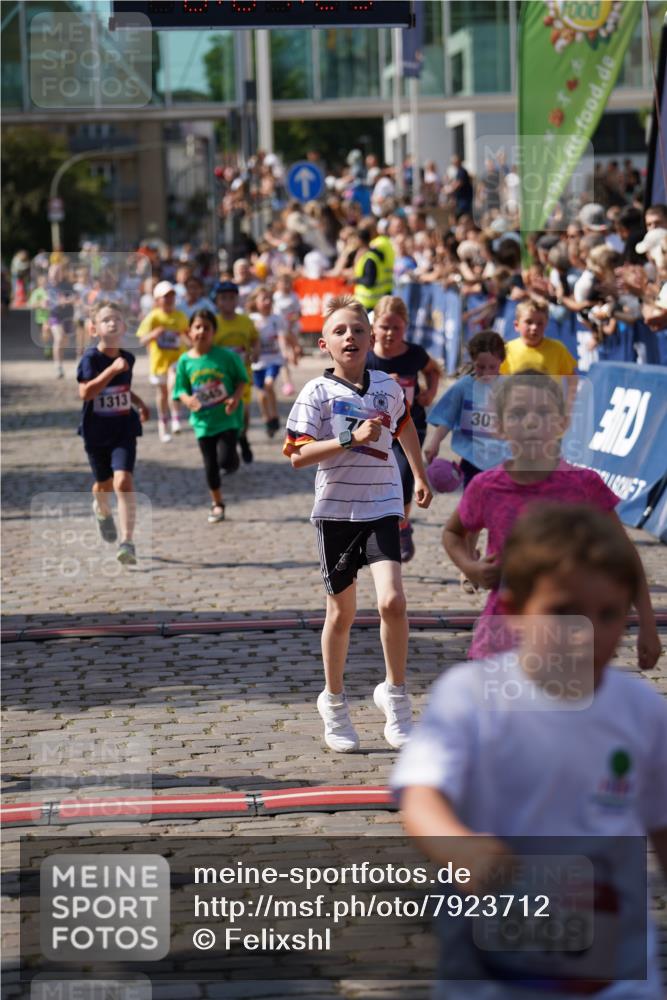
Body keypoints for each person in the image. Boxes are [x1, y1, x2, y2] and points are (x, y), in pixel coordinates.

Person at [393, 502, 667, 999]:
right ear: (517, 611)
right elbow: (421, 795)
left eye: (609, 614)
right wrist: (458, 846)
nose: (587, 633)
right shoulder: (470, 695)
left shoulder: (642, 711)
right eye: (564, 612)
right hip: (493, 971)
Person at [283, 295, 433, 753]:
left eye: (358, 329)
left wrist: (420, 473)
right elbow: (295, 455)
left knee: (392, 600)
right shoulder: (317, 394)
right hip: (336, 512)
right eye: (340, 331)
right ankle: (333, 701)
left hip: (384, 501)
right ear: (325, 344)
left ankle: (396, 695)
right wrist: (348, 437)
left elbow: (405, 423)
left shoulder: (388, 384)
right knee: (341, 613)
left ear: (370, 339)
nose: (351, 336)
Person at [442, 369, 661, 670]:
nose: (531, 421)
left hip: (570, 639)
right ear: (500, 427)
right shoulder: (486, 486)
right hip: (501, 636)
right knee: (501, 714)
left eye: (543, 412)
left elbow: (624, 555)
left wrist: (647, 623)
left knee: (561, 713)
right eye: (519, 413)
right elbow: (453, 533)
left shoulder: (584, 484)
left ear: (562, 423)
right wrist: (471, 568)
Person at [424, 330, 508, 591]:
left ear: (502, 361)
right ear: (472, 361)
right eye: (480, 366)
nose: (486, 372)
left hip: (503, 462)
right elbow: (446, 417)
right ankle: (470, 564)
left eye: (491, 367)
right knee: (473, 516)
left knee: (501, 516)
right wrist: (434, 441)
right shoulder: (464, 387)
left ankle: (495, 563)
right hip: (473, 460)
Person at [367, 295, 440, 562]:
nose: (389, 334)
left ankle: (402, 526)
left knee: (404, 472)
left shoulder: (414, 354)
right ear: (373, 327)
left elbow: (433, 370)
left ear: (405, 327)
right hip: (375, 428)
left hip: (412, 424)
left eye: (396, 328)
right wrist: (383, 382)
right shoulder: (366, 358)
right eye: (384, 327)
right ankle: (379, 524)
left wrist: (430, 392)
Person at [76, 300, 149, 565]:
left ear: (124, 326)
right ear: (94, 329)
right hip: (96, 433)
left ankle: (127, 542)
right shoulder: (90, 359)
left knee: (123, 483)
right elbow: (86, 393)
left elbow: (122, 390)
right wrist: (111, 370)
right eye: (106, 319)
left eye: (117, 319)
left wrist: (139, 403)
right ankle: (101, 509)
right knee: (103, 485)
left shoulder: (127, 358)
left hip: (123, 430)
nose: (112, 322)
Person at [173, 309, 248, 523]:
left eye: (207, 327)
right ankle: (217, 503)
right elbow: (180, 389)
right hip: (203, 422)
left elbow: (241, 379)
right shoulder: (185, 361)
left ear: (214, 331)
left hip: (227, 419)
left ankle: (234, 456)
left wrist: (235, 398)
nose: (202, 331)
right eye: (197, 327)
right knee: (210, 465)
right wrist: (188, 400)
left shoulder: (227, 357)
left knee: (226, 461)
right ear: (189, 331)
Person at [499, 297, 578, 418]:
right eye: (529, 322)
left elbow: (572, 378)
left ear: (546, 324)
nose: (534, 327)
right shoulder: (507, 350)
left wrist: (568, 406)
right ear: (516, 325)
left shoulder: (557, 349)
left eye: (540, 323)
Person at [212, 279, 259, 464]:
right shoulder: (214, 323)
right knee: (226, 415)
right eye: (223, 298)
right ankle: (229, 450)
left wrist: (256, 351)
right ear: (217, 301)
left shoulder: (246, 321)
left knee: (244, 413)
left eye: (232, 298)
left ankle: (243, 437)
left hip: (243, 376)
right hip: (222, 379)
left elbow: (255, 339)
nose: (228, 302)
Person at [136, 280, 189, 443]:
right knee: (162, 393)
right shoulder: (153, 317)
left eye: (172, 295)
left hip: (177, 359)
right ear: (157, 299)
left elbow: (188, 337)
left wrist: (183, 338)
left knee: (173, 383)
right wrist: (153, 335)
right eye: (165, 296)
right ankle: (163, 424)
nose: (169, 299)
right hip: (159, 362)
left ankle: (175, 418)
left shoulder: (180, 316)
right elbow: (141, 340)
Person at [248, 285, 290, 438]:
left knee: (269, 384)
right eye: (263, 299)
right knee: (261, 393)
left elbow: (282, 336)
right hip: (257, 362)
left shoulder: (276, 319)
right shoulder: (251, 320)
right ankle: (267, 417)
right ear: (255, 302)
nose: (267, 302)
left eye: (269, 299)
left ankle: (274, 414)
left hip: (273, 359)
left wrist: (285, 351)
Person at [272, 273, 303, 397]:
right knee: (284, 355)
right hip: (280, 329)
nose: (285, 286)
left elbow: (299, 313)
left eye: (287, 283)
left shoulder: (294, 297)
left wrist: (292, 319)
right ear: (278, 285)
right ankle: (287, 384)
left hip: (292, 327)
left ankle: (295, 352)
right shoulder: (276, 297)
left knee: (295, 348)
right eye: (282, 283)